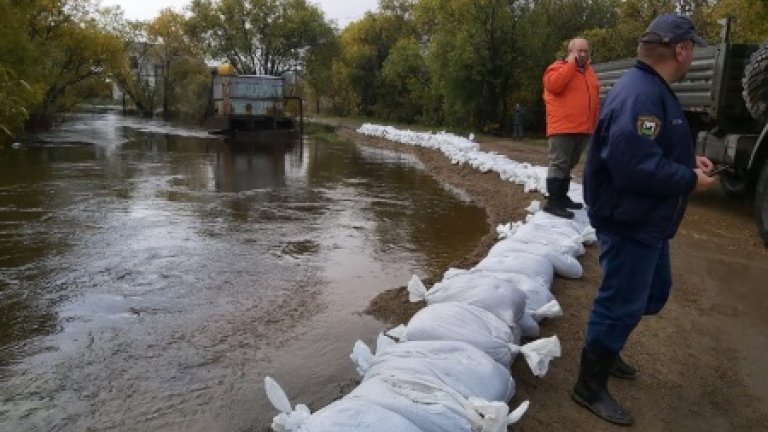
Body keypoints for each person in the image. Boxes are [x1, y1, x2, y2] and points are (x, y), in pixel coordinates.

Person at [574, 14, 716, 425]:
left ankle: (610, 347)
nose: (693, 56)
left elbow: (648, 148)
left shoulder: (654, 90)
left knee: (653, 292)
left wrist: (688, 160)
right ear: (681, 50)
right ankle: (588, 383)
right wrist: (689, 179)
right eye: (693, 49)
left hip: (647, 221)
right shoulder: (642, 95)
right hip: (629, 220)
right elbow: (633, 167)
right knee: (620, 301)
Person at [542, 37, 600, 219]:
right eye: (579, 51)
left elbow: (594, 99)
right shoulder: (557, 68)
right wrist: (571, 65)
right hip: (563, 126)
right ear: (570, 52)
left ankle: (562, 198)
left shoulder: (589, 72)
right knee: (559, 163)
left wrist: (595, 123)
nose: (583, 55)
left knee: (570, 164)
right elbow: (554, 86)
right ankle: (553, 202)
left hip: (583, 128)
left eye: (586, 51)